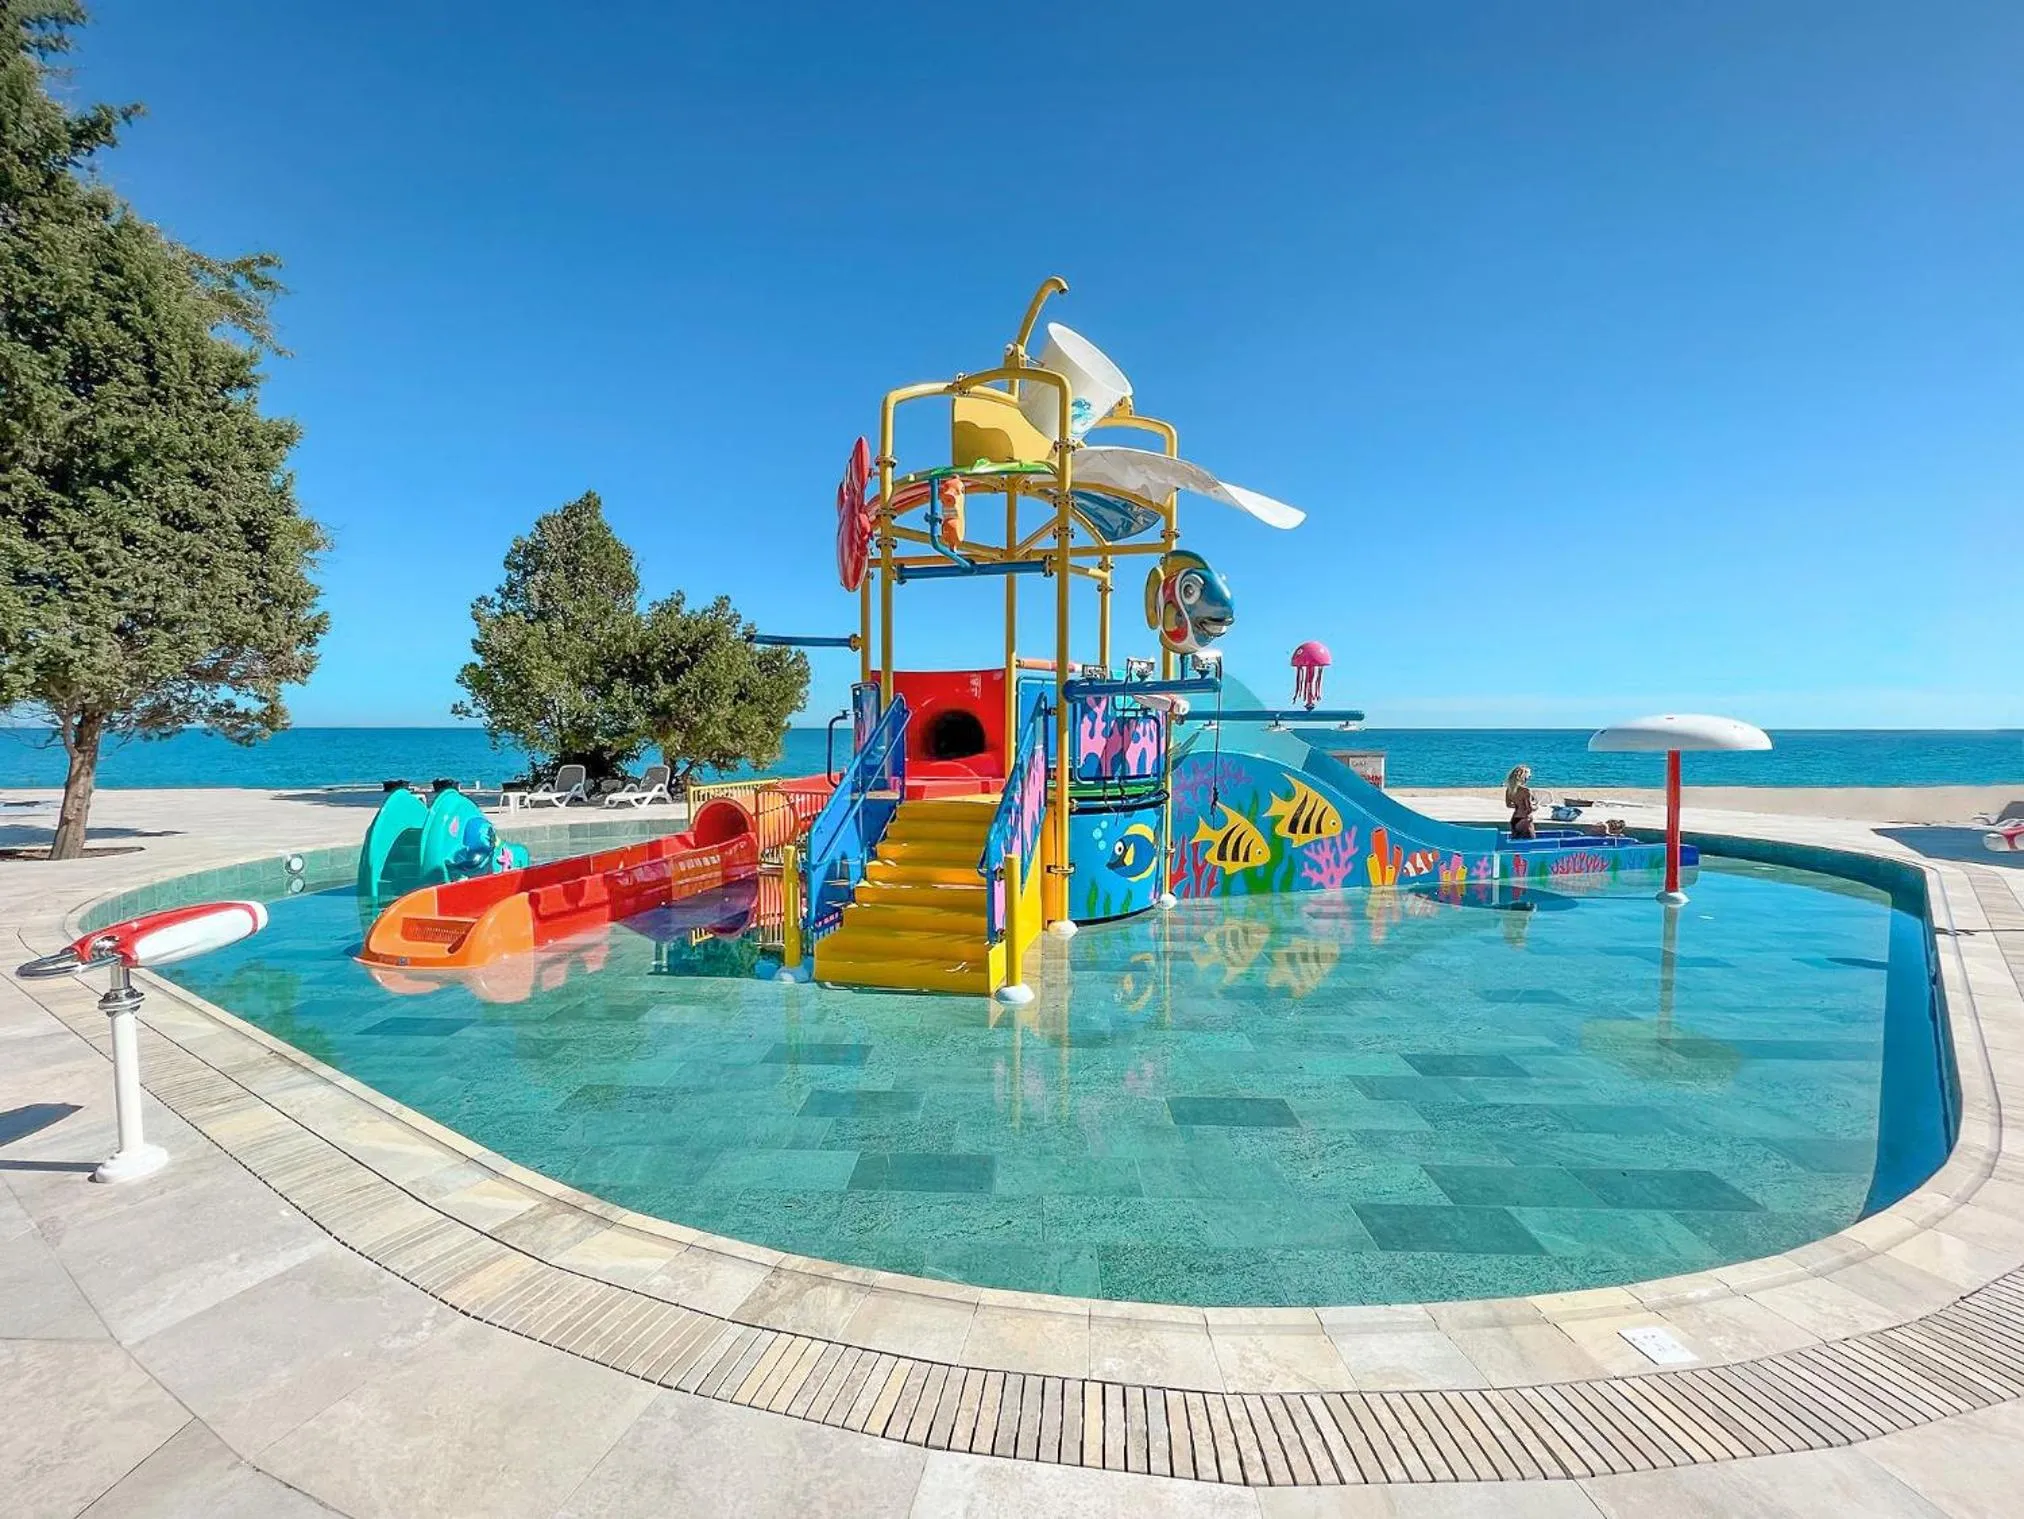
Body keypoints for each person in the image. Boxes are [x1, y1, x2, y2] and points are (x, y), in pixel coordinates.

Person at [1505, 763, 1537, 839]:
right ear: (1524, 777)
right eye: (1529, 776)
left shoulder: (1510, 789)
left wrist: (1518, 806)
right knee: (1531, 841)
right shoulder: (1526, 791)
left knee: (1515, 842)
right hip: (1525, 818)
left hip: (1515, 819)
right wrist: (1536, 807)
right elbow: (1529, 809)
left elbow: (1508, 805)